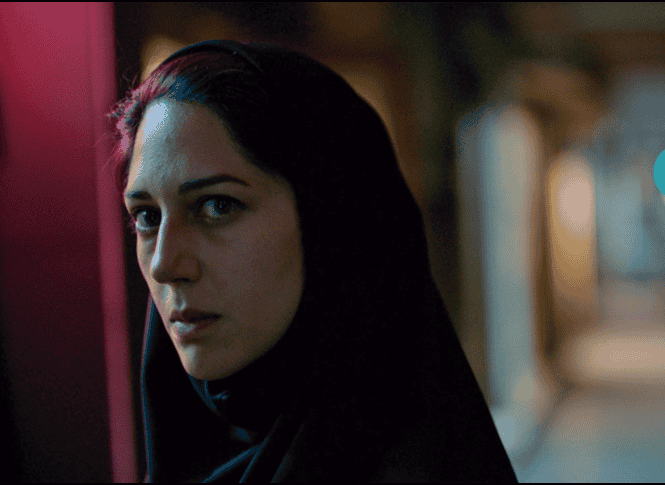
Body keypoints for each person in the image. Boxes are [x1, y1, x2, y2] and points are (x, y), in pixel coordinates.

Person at [108, 39, 517, 483]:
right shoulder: (184, 457)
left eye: (217, 206)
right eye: (146, 216)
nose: (165, 264)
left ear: (331, 225)